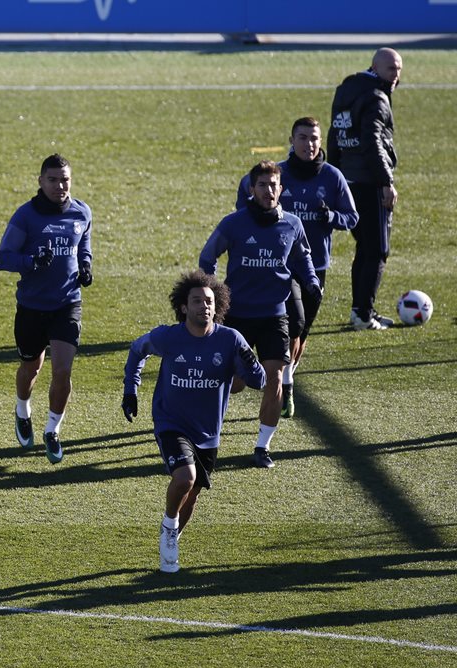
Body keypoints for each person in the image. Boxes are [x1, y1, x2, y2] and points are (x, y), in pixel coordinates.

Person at [122, 270, 265, 573]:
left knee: (194, 490)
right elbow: (138, 350)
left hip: (208, 432)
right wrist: (130, 390)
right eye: (197, 301)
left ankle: (172, 535)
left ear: (218, 306)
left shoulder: (230, 340)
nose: (204, 306)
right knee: (185, 478)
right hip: (170, 422)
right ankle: (169, 524)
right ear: (184, 307)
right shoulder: (169, 337)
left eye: (209, 301)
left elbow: (259, 381)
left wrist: (250, 359)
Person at [200, 160, 320, 469]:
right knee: (235, 382)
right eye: (263, 185)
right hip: (236, 315)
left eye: (274, 185)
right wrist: (211, 292)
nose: (269, 190)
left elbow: (303, 257)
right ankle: (206, 437)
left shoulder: (292, 224)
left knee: (275, 378)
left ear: (282, 189)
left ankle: (262, 447)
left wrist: (311, 281)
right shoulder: (233, 223)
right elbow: (208, 255)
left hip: (273, 316)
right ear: (251, 189)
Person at [236, 117, 357, 417]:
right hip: (279, 267)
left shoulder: (332, 177)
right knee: (291, 323)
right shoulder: (277, 175)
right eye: (303, 138)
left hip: (315, 267)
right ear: (292, 141)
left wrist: (331, 218)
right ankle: (278, 380)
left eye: (314, 138)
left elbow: (352, 217)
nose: (310, 144)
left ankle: (287, 379)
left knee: (300, 334)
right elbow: (244, 194)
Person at [0, 153, 93, 464]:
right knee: (31, 369)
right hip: (32, 307)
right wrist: (31, 261)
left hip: (67, 304)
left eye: (65, 179)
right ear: (40, 181)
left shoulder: (81, 212)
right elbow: (2, 258)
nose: (59, 185)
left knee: (62, 371)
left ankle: (52, 429)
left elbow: (84, 245)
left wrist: (86, 266)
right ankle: (22, 409)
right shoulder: (26, 217)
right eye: (52, 179)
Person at [327, 47, 402, 330]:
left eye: (398, 69)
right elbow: (373, 142)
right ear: (375, 68)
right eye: (391, 69)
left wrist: (333, 176)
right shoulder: (376, 97)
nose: (396, 75)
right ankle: (363, 314)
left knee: (366, 247)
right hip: (369, 183)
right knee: (377, 250)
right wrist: (386, 182)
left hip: (348, 181)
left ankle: (360, 310)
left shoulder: (347, 90)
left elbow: (335, 135)